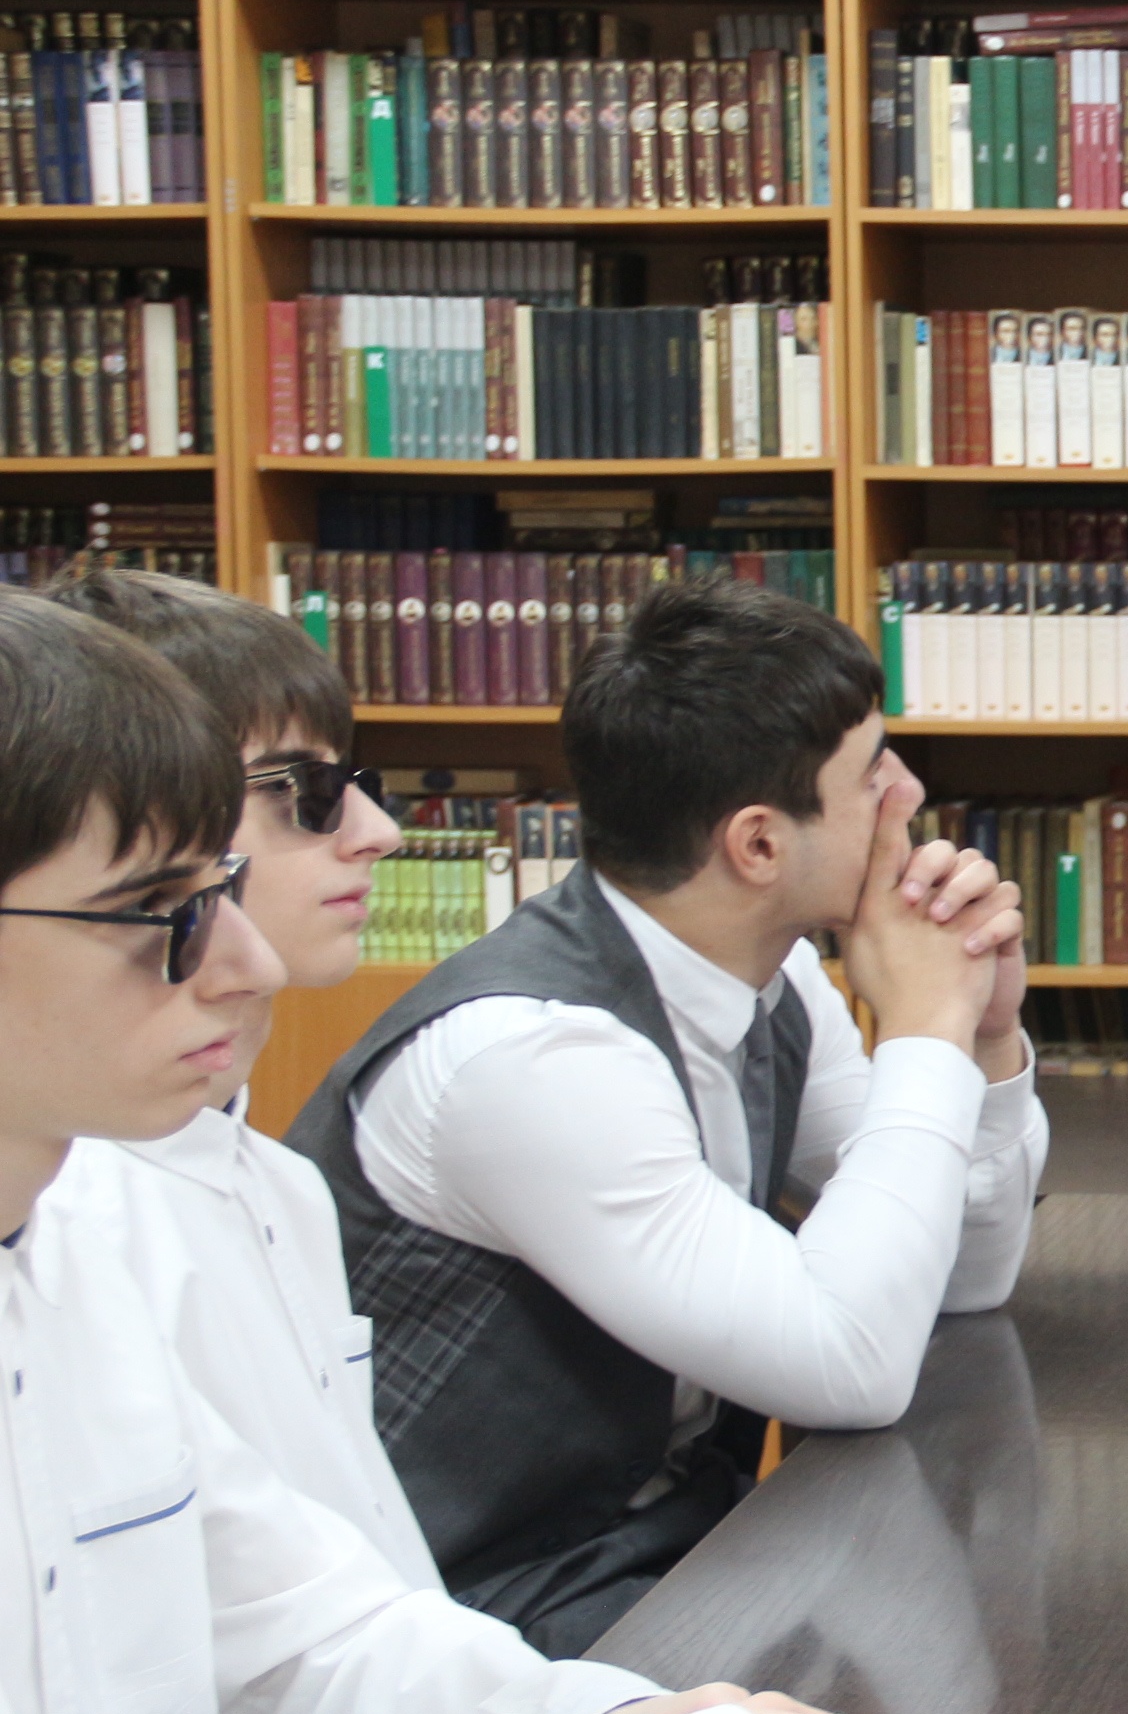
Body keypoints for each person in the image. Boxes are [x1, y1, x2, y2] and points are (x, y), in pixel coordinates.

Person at [0, 587, 923, 1714]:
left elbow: (298, 1643)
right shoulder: (122, 1218)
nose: (251, 965)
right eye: (161, 909)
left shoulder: (68, 1263)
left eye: (221, 891)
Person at [292, 576, 1049, 1655]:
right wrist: (926, 1026)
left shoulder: (772, 977)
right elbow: (854, 1362)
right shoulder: (534, 1058)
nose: (910, 793)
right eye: (873, 771)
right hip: (476, 1619)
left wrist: (983, 1039)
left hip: (681, 1553)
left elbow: (961, 1279)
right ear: (758, 845)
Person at [33, 568, 433, 1584]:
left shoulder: (280, 1181)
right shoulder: (75, 1220)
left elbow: (336, 1588)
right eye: (306, 792)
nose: (378, 833)